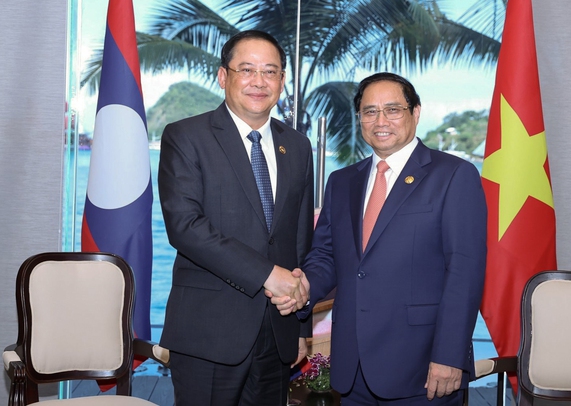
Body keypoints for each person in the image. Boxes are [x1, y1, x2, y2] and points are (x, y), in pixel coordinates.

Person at [272, 72, 487, 405]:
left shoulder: (454, 175)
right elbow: (326, 256)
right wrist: (303, 289)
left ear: (416, 112)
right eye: (370, 111)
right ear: (360, 118)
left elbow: (464, 273)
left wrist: (450, 355)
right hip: (352, 367)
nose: (380, 120)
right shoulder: (342, 181)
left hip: (423, 369)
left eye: (393, 109)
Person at [158, 30, 314, 406]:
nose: (259, 81)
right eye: (247, 70)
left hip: (277, 331)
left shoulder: (297, 145)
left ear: (282, 80)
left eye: (270, 71)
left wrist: (300, 325)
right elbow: (185, 227)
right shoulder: (186, 136)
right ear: (223, 76)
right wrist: (267, 274)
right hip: (208, 332)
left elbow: (299, 240)